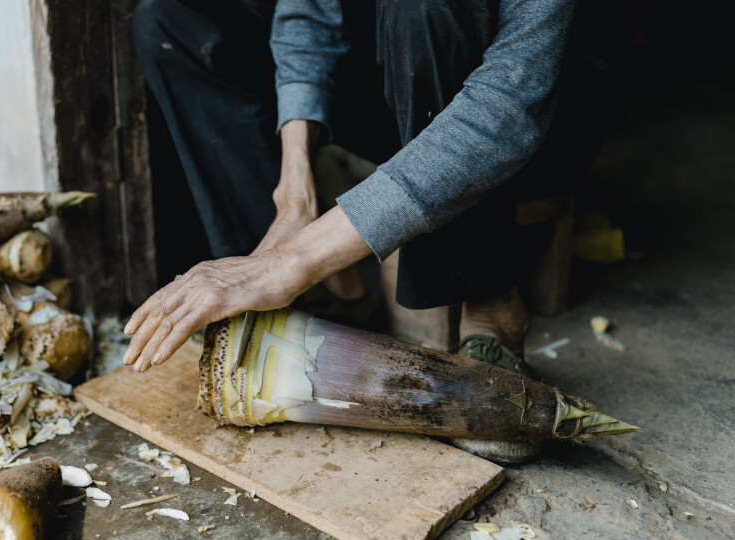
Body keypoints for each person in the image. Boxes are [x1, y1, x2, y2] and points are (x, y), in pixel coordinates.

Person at [124, 0, 589, 463]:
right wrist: (295, 196)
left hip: (531, 112)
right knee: (170, 21)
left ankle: (491, 308)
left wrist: (292, 262)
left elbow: (506, 109)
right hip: (395, 87)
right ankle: (288, 299)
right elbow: (308, 14)